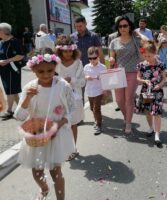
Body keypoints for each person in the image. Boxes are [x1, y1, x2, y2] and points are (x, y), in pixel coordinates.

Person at [14, 48, 75, 200]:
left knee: (56, 171)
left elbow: (72, 110)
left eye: (50, 70)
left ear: (56, 67)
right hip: (36, 136)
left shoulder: (63, 86)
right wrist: (27, 98)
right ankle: (44, 188)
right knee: (37, 172)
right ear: (33, 69)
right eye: (41, 71)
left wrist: (59, 124)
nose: (46, 75)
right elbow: (19, 116)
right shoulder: (30, 88)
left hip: (56, 135)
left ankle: (61, 198)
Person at [109, 16, 145, 134]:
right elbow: (112, 55)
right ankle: (126, 117)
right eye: (120, 26)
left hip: (132, 73)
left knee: (128, 99)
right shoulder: (114, 41)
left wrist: (139, 35)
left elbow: (149, 45)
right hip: (118, 73)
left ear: (129, 27)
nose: (123, 28)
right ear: (118, 28)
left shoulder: (135, 40)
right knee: (119, 100)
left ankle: (128, 123)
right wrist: (111, 59)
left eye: (125, 26)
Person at [55, 36, 85, 161]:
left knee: (73, 123)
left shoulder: (78, 63)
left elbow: (82, 82)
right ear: (60, 51)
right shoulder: (56, 63)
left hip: (74, 97)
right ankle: (63, 148)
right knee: (61, 123)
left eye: (70, 51)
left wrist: (71, 80)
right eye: (65, 51)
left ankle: (73, 148)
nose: (68, 53)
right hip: (59, 97)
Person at [136, 41, 167, 148]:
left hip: (157, 92)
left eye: (149, 56)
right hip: (146, 92)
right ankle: (150, 128)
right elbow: (138, 78)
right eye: (145, 56)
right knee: (148, 111)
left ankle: (157, 135)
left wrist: (160, 85)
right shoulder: (141, 65)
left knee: (157, 113)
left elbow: (164, 78)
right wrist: (144, 81)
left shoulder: (160, 65)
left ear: (154, 53)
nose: (147, 58)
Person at [71, 16, 104, 107]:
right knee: (78, 92)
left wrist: (103, 69)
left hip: (92, 69)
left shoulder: (93, 36)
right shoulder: (72, 37)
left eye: (80, 26)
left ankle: (96, 110)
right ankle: (80, 114)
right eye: (76, 26)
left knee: (95, 91)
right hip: (78, 70)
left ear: (85, 23)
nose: (78, 28)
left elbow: (100, 52)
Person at [0, 22, 24, 120]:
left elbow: (21, 55)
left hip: (12, 69)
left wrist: (8, 60)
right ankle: (21, 109)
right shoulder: (1, 42)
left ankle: (9, 111)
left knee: (10, 90)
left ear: (3, 31)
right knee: (13, 91)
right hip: (3, 70)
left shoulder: (14, 41)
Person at [83, 47, 106, 135]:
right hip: (89, 91)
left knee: (96, 109)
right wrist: (86, 77)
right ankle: (96, 119)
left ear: (98, 56)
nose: (92, 60)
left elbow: (105, 79)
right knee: (92, 108)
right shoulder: (86, 67)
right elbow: (83, 76)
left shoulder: (102, 67)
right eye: (90, 58)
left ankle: (99, 125)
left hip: (99, 91)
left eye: (94, 58)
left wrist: (105, 90)